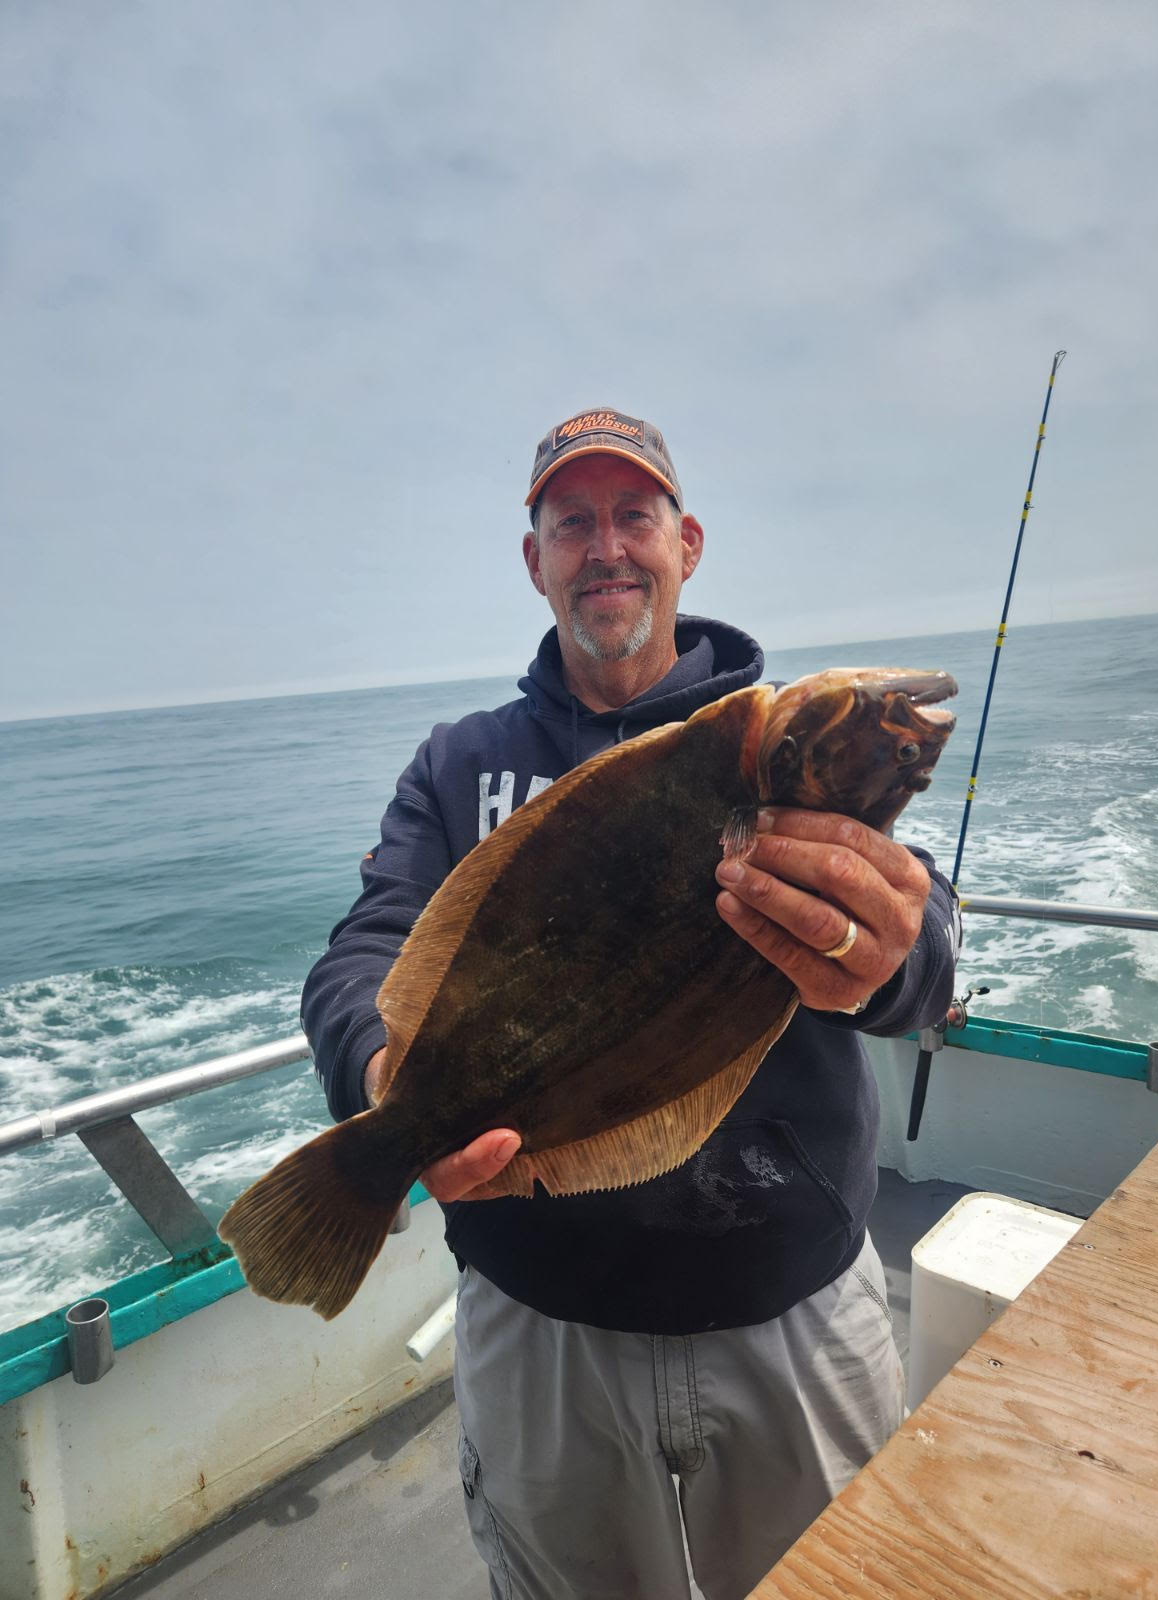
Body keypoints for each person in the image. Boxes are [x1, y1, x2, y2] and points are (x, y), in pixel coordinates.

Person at [302, 407, 958, 1600]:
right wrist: (386, 1088)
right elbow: (364, 952)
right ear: (537, 558)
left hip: (794, 1307)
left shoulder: (770, 746)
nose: (606, 546)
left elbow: (925, 949)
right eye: (573, 522)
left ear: (686, 542)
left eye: (634, 516)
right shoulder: (458, 766)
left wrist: (891, 954)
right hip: (539, 1325)